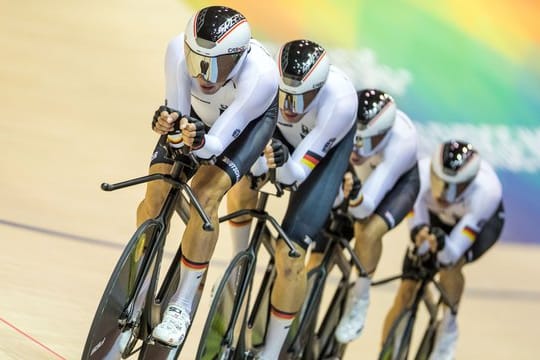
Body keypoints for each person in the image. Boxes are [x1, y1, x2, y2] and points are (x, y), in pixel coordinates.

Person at [137, 5, 280, 347]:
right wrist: (170, 128)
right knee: (156, 192)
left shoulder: (260, 77)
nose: (204, 75)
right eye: (196, 60)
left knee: (205, 195)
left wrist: (195, 139)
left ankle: (183, 303)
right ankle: (138, 278)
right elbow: (177, 116)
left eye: (217, 65)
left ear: (239, 58)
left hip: (243, 129)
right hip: (199, 122)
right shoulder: (175, 50)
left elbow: (213, 146)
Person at [226, 39, 358, 359]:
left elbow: (294, 175)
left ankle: (271, 351)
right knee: (243, 182)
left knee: (291, 254)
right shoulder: (267, 80)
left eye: (301, 99)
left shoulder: (339, 102)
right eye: (286, 95)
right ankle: (238, 265)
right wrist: (258, 166)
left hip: (319, 161)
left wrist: (281, 162)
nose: (290, 107)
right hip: (280, 139)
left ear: (319, 89)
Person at [382, 140, 505, 359]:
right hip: (435, 219)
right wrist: (420, 236)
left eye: (455, 186)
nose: (444, 194)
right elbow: (416, 227)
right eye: (440, 182)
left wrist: (441, 245)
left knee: (451, 265)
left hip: (477, 224)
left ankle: (448, 325)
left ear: (469, 182)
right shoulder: (420, 173)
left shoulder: (487, 192)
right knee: (406, 289)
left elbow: (451, 252)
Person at [329, 89, 420, 344]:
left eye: (368, 141)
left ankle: (361, 297)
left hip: (397, 184)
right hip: (358, 176)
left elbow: (365, 208)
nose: (359, 149)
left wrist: (354, 197)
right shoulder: (342, 116)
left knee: (366, 232)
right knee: (319, 238)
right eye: (356, 139)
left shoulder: (402, 141)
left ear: (384, 135)